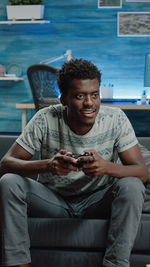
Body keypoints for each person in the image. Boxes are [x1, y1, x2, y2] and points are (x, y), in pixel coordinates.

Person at [0, 58, 149, 267]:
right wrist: (48, 165)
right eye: (80, 96)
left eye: (94, 95)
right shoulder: (45, 118)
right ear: (64, 99)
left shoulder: (116, 119)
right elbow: (5, 164)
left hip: (98, 201)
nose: (89, 103)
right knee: (8, 182)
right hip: (53, 201)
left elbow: (142, 172)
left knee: (132, 184)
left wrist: (106, 167)